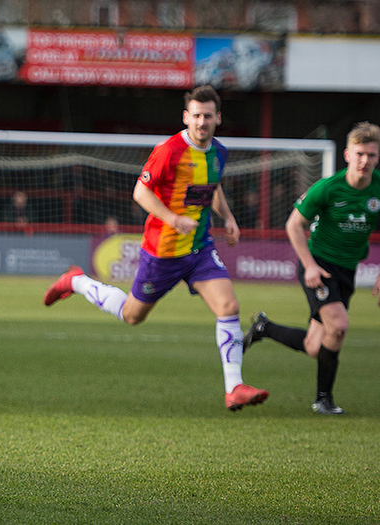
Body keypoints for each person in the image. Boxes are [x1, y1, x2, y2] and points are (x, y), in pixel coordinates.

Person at [43, 85, 269, 412]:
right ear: (185, 117)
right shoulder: (169, 150)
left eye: (208, 116)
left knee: (228, 305)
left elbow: (212, 186)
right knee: (132, 316)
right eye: (196, 116)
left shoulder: (219, 152)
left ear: (218, 118)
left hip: (200, 249)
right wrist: (173, 219)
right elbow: (141, 192)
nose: (202, 122)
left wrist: (228, 217)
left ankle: (234, 387)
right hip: (162, 252)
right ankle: (76, 281)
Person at [244, 121, 380, 415]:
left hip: (347, 271)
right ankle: (323, 399)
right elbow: (294, 224)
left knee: (316, 346)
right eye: (359, 154)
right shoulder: (329, 188)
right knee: (339, 327)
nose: (365, 160)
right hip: (319, 266)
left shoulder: (378, 189)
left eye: (371, 155)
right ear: (347, 155)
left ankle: (264, 327)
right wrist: (309, 266)